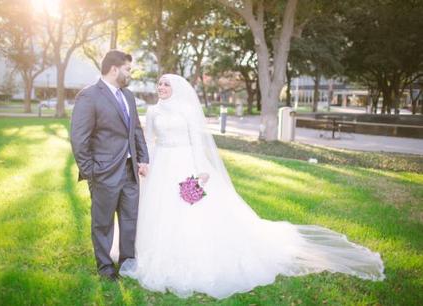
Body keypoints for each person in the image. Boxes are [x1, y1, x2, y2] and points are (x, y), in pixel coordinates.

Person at [119, 74, 385, 299]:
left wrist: (200, 169)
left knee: (190, 207)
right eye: (159, 84)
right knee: (159, 209)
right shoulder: (152, 111)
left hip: (186, 162)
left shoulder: (187, 111)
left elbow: (197, 142)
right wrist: (145, 162)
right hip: (162, 163)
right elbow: (148, 139)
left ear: (176, 89)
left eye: (166, 85)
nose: (161, 88)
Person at [70, 50, 149, 281]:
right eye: (127, 69)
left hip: (130, 170)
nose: (130, 74)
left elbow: (136, 130)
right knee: (103, 223)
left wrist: (143, 159)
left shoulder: (129, 96)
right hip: (103, 173)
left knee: (129, 219)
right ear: (114, 69)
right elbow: (79, 138)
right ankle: (105, 268)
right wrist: (91, 172)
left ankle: (127, 263)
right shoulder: (90, 96)